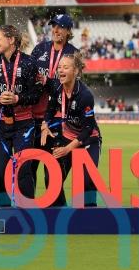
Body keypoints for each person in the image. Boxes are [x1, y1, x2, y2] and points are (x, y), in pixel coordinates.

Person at [0, 24, 42, 206]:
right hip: (0, 124)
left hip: (24, 124)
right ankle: (2, 210)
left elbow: (36, 95)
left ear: (11, 40)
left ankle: (27, 209)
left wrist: (17, 98)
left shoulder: (29, 62)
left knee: (23, 169)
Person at [41, 52, 102, 207]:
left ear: (75, 71)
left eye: (66, 67)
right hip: (67, 137)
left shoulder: (85, 95)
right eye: (59, 67)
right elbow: (50, 109)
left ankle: (90, 215)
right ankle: (60, 211)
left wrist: (67, 149)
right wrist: (45, 124)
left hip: (88, 140)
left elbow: (88, 129)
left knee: (87, 180)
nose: (61, 70)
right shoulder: (57, 88)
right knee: (52, 177)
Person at [29, 14, 78, 192]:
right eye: (54, 26)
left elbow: (71, 86)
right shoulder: (40, 48)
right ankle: (28, 206)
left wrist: (47, 82)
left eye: (61, 27)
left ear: (68, 31)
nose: (56, 30)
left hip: (58, 119)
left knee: (53, 173)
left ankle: (54, 207)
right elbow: (29, 75)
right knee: (29, 169)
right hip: (35, 117)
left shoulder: (73, 54)